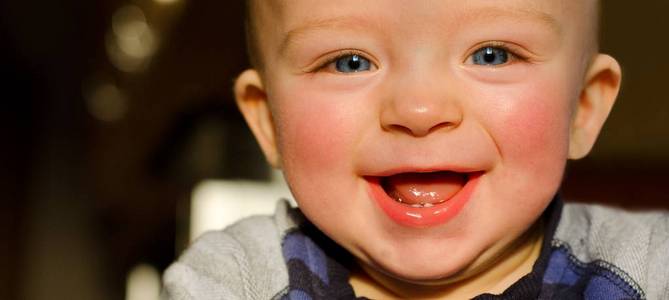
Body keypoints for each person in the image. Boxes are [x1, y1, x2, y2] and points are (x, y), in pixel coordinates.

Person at [163, 0, 669, 299]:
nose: (419, 110)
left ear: (581, 107)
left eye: (492, 55)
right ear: (269, 120)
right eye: (349, 63)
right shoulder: (237, 279)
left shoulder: (647, 266)